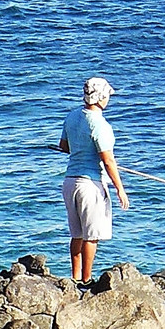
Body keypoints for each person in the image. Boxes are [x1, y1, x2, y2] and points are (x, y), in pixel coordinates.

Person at [54, 76, 129, 286]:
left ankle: (75, 278)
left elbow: (64, 146)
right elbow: (108, 160)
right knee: (91, 235)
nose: (108, 100)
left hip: (69, 183)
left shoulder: (72, 116)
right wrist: (120, 189)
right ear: (100, 98)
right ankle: (86, 281)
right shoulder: (101, 125)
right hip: (91, 184)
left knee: (76, 234)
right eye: (107, 96)